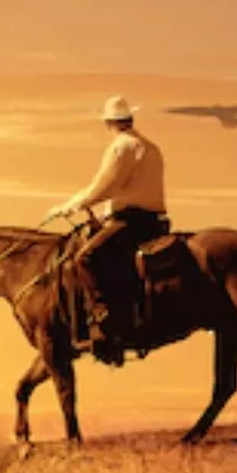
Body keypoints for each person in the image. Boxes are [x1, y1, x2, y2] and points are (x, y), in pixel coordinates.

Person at [44, 95, 169, 365]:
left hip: (131, 222)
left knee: (83, 258)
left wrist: (69, 206)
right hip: (152, 220)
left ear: (108, 123)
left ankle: (102, 317)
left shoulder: (122, 147)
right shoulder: (151, 147)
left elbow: (104, 187)